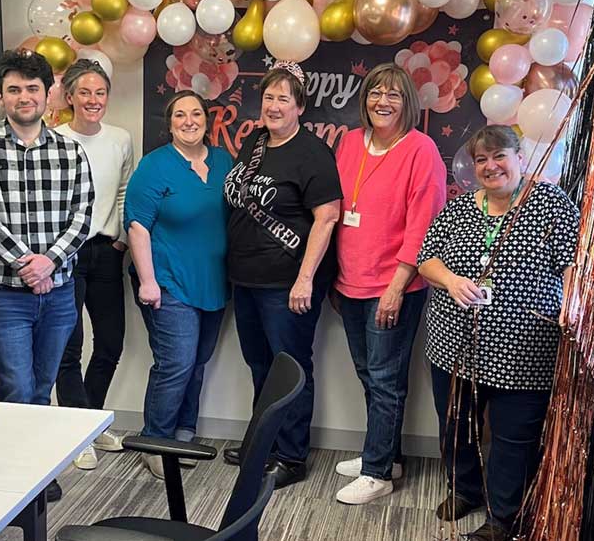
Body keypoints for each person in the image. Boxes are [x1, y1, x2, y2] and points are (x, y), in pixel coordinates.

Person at [416, 125, 579, 540]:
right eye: (482, 160)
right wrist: (451, 280)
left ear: (519, 157)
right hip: (454, 345)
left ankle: (502, 519)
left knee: (513, 437)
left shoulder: (550, 204)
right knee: (454, 423)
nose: (492, 167)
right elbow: (425, 260)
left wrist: (573, 308)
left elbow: (572, 264)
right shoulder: (458, 210)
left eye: (500, 156)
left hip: (524, 351)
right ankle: (465, 489)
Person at [0, 50, 94, 502]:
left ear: (48, 94)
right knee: (15, 384)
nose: (24, 97)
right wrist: (27, 264)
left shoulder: (70, 151)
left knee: (43, 384)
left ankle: (34, 469)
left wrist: (50, 262)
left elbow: (82, 215)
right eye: (14, 89)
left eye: (33, 88)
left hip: (59, 291)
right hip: (3, 291)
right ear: (1, 96)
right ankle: (17, 475)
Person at [221, 61, 343, 488]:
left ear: (300, 107)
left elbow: (327, 218)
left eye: (283, 99)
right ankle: (263, 442)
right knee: (259, 364)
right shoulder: (255, 142)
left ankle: (291, 455)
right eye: (269, 97)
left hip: (288, 283)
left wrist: (306, 279)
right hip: (248, 279)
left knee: (291, 367)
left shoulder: (312, 153)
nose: (274, 106)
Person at [330, 63, 447, 504]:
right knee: (369, 375)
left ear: (407, 104)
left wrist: (398, 285)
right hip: (350, 282)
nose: (383, 101)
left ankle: (377, 472)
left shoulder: (421, 150)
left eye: (394, 95)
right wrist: (334, 280)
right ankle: (386, 454)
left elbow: (425, 224)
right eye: (376, 92)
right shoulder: (347, 143)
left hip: (393, 284)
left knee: (385, 379)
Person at [124, 90, 232, 480]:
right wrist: (149, 282)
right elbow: (137, 226)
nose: (189, 121)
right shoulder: (155, 167)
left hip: (214, 282)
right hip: (167, 281)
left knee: (198, 361)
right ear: (169, 124)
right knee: (176, 362)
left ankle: (184, 433)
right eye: (180, 115)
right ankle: (155, 439)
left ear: (208, 119)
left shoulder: (223, 161)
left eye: (196, 113)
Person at [52, 59, 135, 470]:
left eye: (99, 93)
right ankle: (75, 433)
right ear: (69, 97)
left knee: (110, 342)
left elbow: (123, 191)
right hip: (64, 256)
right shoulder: (52, 139)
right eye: (84, 92)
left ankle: (89, 421)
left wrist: (120, 239)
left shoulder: (120, 139)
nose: (92, 100)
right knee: (68, 346)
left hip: (105, 251)